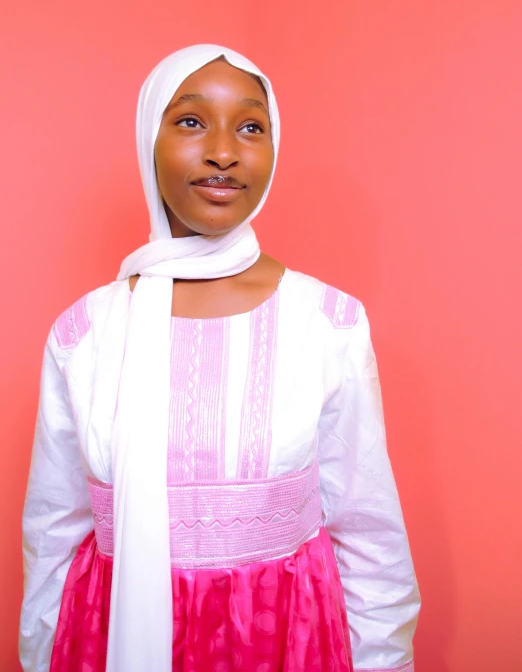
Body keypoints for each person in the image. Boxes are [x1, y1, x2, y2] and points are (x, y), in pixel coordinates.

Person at [19, 44, 420, 672]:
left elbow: (369, 534)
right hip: (109, 645)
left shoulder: (328, 323)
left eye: (251, 126)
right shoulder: (84, 334)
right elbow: (52, 535)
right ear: (147, 140)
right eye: (190, 121)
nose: (224, 151)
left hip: (287, 644)